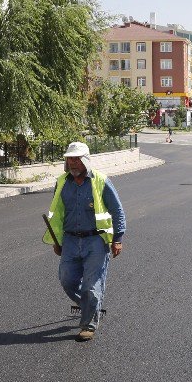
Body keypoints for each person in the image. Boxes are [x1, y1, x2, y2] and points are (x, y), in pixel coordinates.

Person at [43, 142, 126, 341]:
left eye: (76, 159)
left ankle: (88, 324)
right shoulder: (62, 182)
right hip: (70, 240)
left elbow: (117, 211)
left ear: (86, 160)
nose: (72, 162)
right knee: (67, 280)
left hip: (95, 240)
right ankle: (90, 305)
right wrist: (57, 240)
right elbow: (58, 214)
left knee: (91, 285)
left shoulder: (101, 181)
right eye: (69, 159)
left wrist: (118, 239)